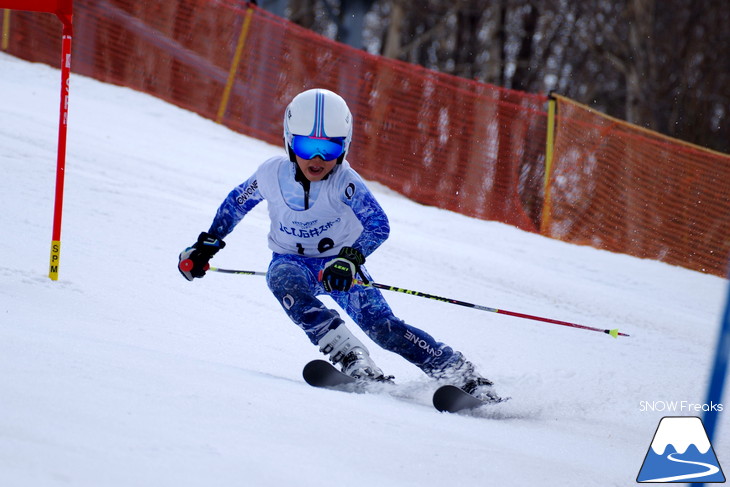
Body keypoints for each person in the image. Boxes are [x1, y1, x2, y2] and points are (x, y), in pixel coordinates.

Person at [178, 88, 500, 401]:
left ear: (343, 149)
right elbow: (238, 202)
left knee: (383, 328)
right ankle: (352, 357)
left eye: (329, 150)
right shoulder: (271, 174)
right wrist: (208, 244)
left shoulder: (344, 182)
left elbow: (378, 224)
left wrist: (349, 259)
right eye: (306, 147)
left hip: (339, 268)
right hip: (293, 262)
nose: (317, 159)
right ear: (290, 142)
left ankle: (460, 373)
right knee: (281, 278)